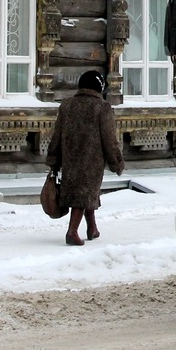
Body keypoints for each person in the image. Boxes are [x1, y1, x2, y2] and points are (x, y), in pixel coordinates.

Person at [45, 71, 125, 246]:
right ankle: (72, 232)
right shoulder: (102, 107)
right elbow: (109, 139)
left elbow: (56, 136)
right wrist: (116, 162)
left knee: (87, 193)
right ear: (99, 87)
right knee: (83, 195)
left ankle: (92, 228)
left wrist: (53, 159)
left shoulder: (66, 106)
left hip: (70, 160)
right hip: (92, 161)